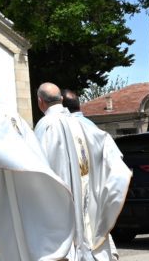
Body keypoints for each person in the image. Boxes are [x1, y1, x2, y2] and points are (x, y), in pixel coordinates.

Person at [0, 80, 74, 260]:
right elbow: (34, 149)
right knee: (23, 231)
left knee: (5, 237)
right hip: (21, 184)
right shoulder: (14, 115)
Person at [34, 82, 131, 260]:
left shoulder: (45, 125)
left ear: (40, 102)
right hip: (87, 196)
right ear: (61, 100)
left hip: (60, 203)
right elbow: (106, 147)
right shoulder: (82, 124)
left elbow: (37, 169)